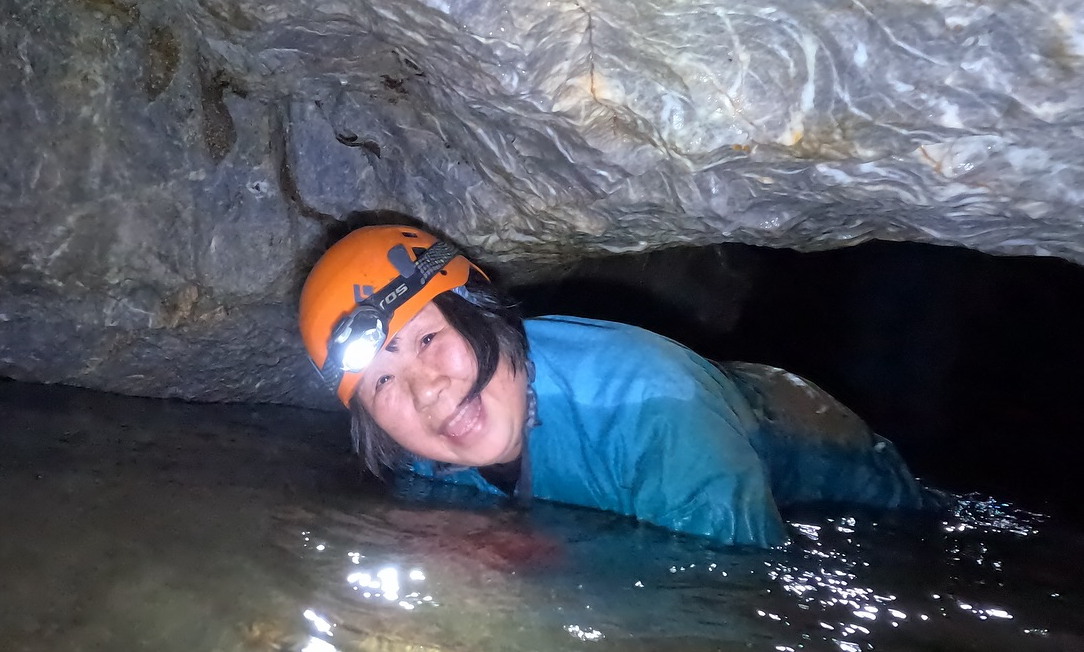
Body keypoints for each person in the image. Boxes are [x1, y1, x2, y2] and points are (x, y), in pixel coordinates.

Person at [297, 225, 928, 547]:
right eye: (382, 383)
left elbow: (729, 619)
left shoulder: (656, 419)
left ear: (483, 307)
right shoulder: (421, 455)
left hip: (839, 468)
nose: (425, 391)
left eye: (428, 338)